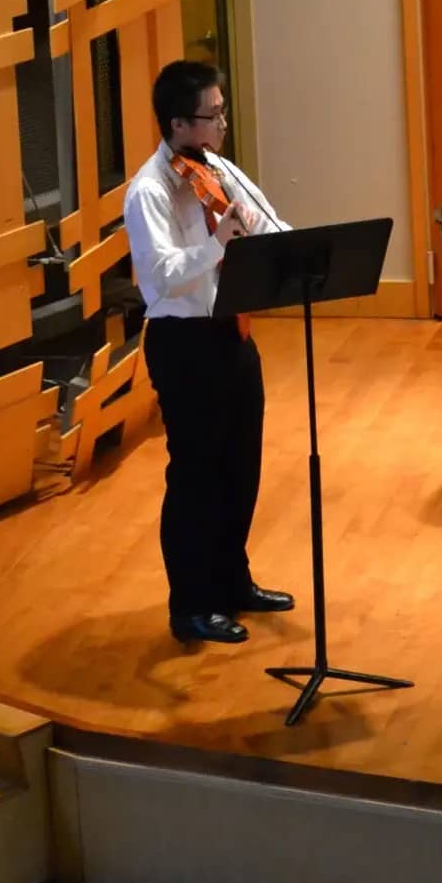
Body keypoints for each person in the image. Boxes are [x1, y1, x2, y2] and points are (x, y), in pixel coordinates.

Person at [124, 60, 294, 644]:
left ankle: (232, 581)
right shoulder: (148, 192)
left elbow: (267, 221)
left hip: (231, 334)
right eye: (212, 116)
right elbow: (161, 278)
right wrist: (219, 242)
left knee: (241, 465)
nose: (222, 125)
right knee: (197, 475)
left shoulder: (217, 168)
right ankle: (191, 605)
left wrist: (294, 249)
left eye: (222, 112)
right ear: (177, 124)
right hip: (184, 344)